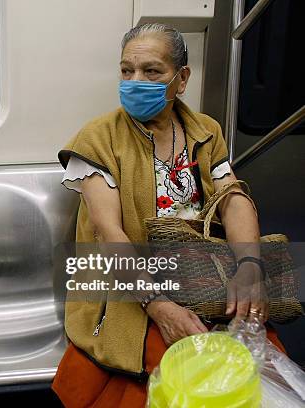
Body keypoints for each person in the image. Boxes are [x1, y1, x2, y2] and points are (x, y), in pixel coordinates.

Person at [51, 23, 285, 407]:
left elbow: (232, 197)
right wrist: (158, 305)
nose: (135, 81)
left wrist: (249, 265)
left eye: (152, 71)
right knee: (181, 381)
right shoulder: (98, 138)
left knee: (256, 372)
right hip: (130, 285)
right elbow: (109, 234)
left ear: (182, 78)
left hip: (204, 278)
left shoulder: (204, 131)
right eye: (127, 71)